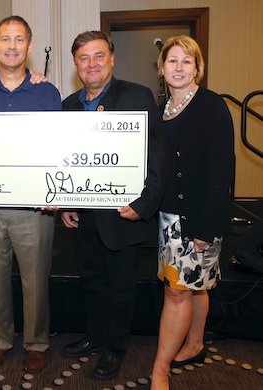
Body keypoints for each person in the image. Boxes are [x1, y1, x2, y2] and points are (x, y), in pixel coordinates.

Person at [60, 31, 167, 380]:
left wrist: (145, 203)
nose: (92, 64)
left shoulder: (138, 96)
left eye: (98, 56)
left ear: (112, 59)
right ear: (75, 64)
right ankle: (95, 336)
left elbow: (157, 155)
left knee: (120, 287)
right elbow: (63, 160)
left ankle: (115, 348)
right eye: (84, 58)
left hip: (125, 215)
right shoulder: (68, 105)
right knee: (91, 281)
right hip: (84, 214)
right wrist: (65, 203)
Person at [0, 15, 61, 372]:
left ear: (29, 48)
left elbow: (59, 147)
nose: (12, 46)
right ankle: (0, 340)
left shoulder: (47, 92)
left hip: (34, 207)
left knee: (36, 278)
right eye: (5, 39)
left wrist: (56, 191)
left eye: (19, 40)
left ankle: (36, 342)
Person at [150, 36, 234, 390]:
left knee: (177, 291)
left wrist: (205, 227)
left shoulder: (212, 106)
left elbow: (222, 171)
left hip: (197, 219)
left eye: (187, 61)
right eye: (173, 60)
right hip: (169, 217)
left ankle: (160, 369)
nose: (179, 67)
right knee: (196, 286)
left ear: (198, 68)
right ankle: (196, 342)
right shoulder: (162, 108)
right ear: (162, 68)